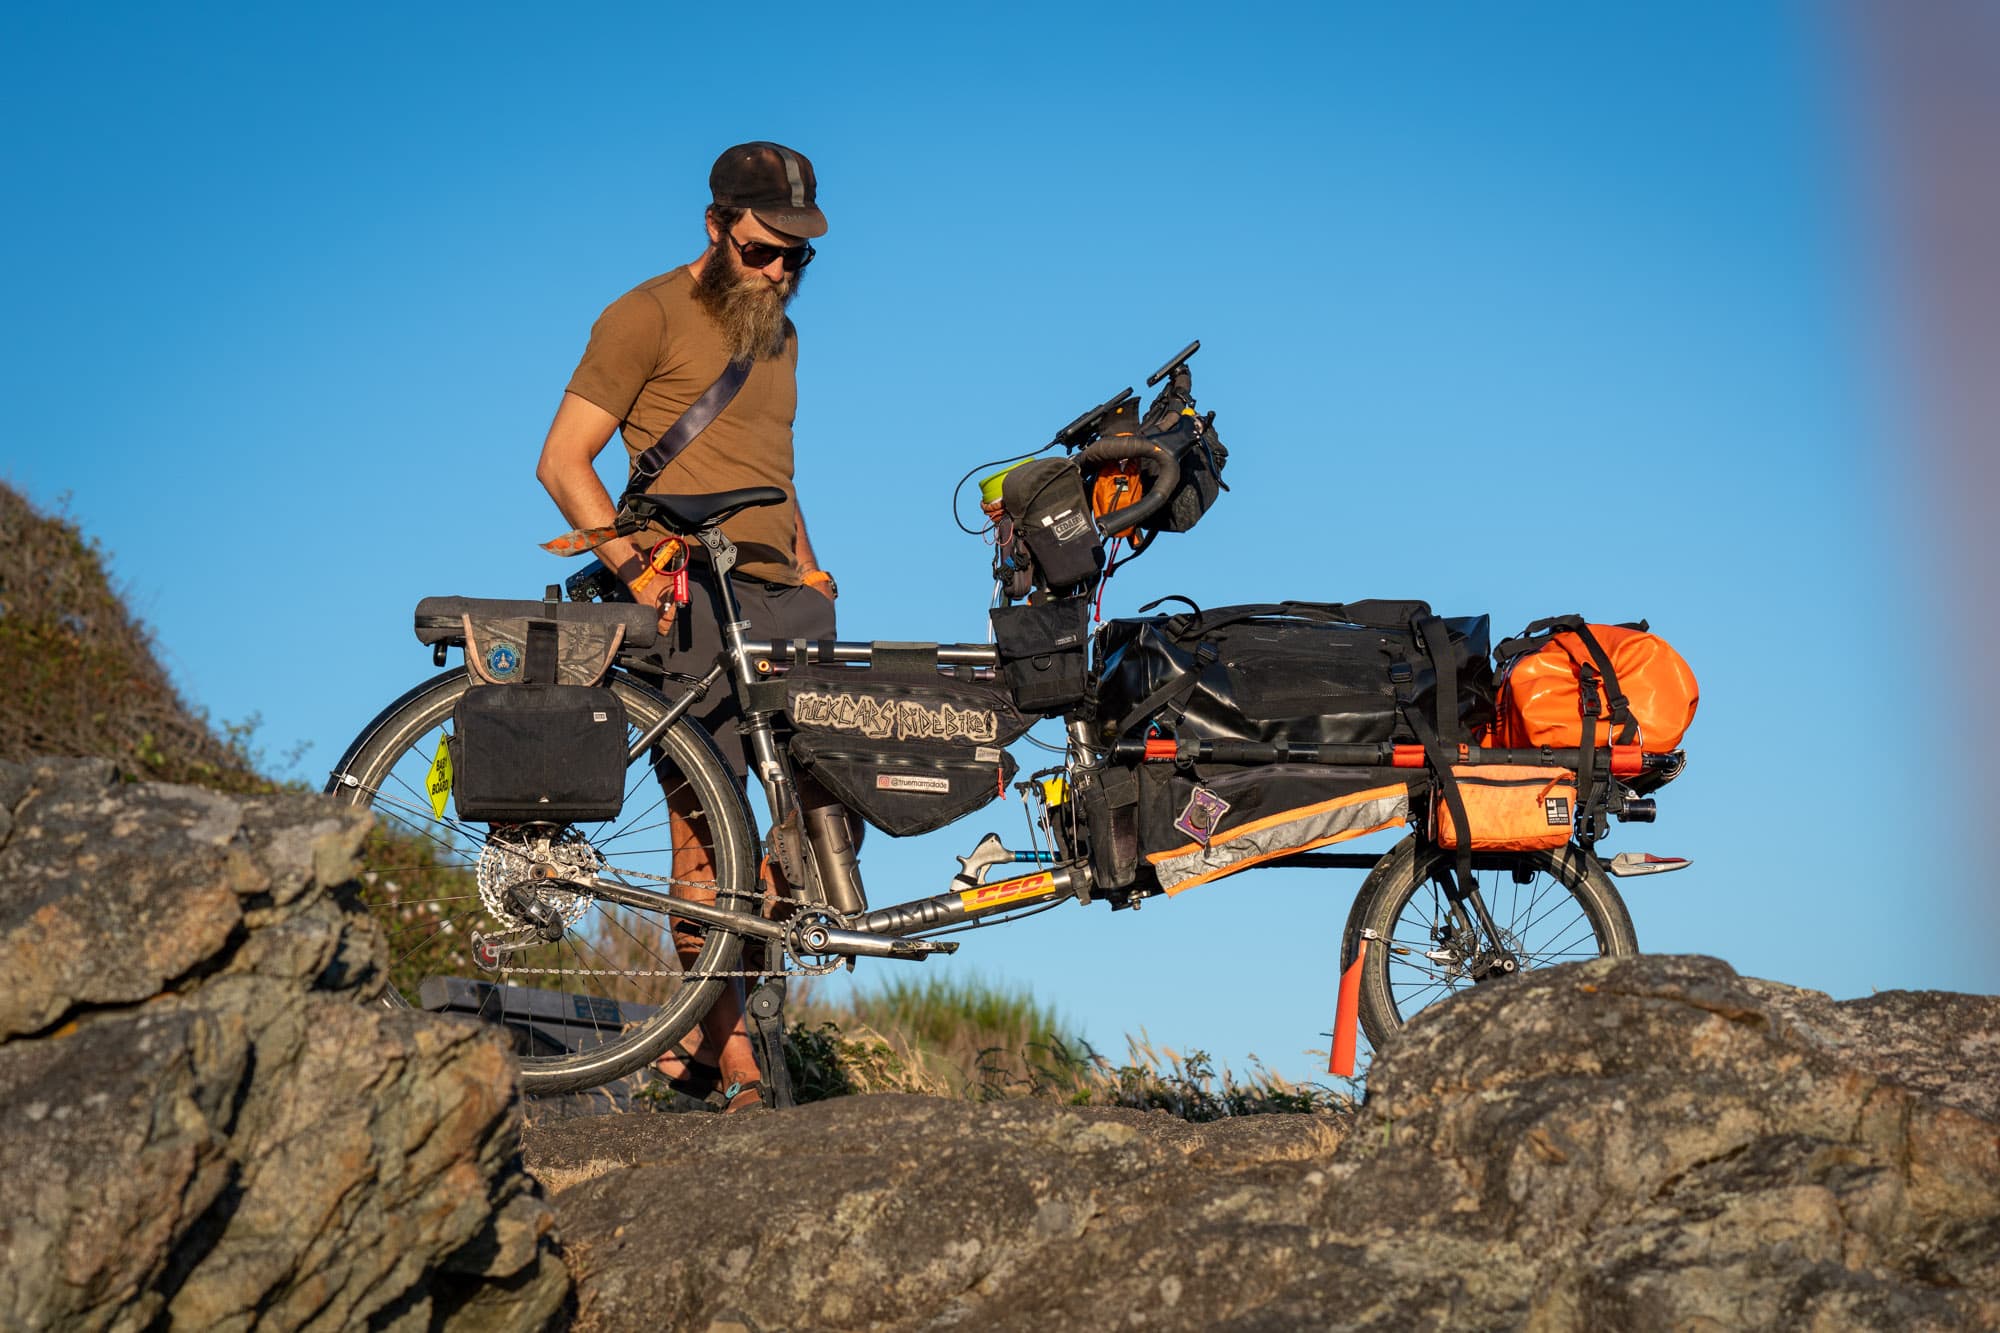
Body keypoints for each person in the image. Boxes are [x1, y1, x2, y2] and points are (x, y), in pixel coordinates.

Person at [535, 141, 837, 1113]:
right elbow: (562, 462)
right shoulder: (644, 314)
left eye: (798, 257)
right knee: (706, 835)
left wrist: (811, 558)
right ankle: (736, 1060)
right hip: (683, 591)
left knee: (802, 832)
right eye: (762, 252)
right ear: (714, 226)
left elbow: (772, 465)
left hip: (782, 597)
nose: (780, 272)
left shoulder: (780, 333)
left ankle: (696, 1050)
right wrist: (633, 565)